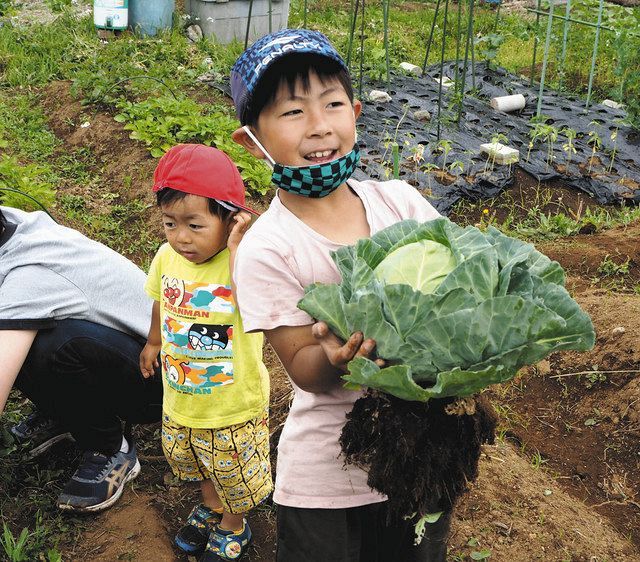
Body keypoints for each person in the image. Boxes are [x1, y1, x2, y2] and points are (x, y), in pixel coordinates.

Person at [229, 29, 452, 561]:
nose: (319, 125)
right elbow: (302, 366)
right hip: (328, 476)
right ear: (251, 140)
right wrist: (333, 356)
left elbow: (462, 280)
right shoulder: (268, 247)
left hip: (420, 457)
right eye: (292, 112)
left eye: (332, 104)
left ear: (355, 111)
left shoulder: (401, 203)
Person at [139, 144, 272, 562]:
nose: (180, 237)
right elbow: (161, 298)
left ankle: (236, 524)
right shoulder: (167, 257)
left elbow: (259, 299)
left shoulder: (242, 264)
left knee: (232, 469)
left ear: (231, 220)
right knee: (195, 459)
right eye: (170, 223)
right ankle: (211, 505)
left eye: (194, 225)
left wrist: (238, 250)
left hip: (232, 404)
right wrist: (155, 341)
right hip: (182, 396)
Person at [0, 204, 163, 513]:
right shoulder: (11, 222)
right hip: (119, 353)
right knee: (22, 335)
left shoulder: (29, 274)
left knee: (47, 345)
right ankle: (64, 411)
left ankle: (112, 448)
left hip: (158, 380)